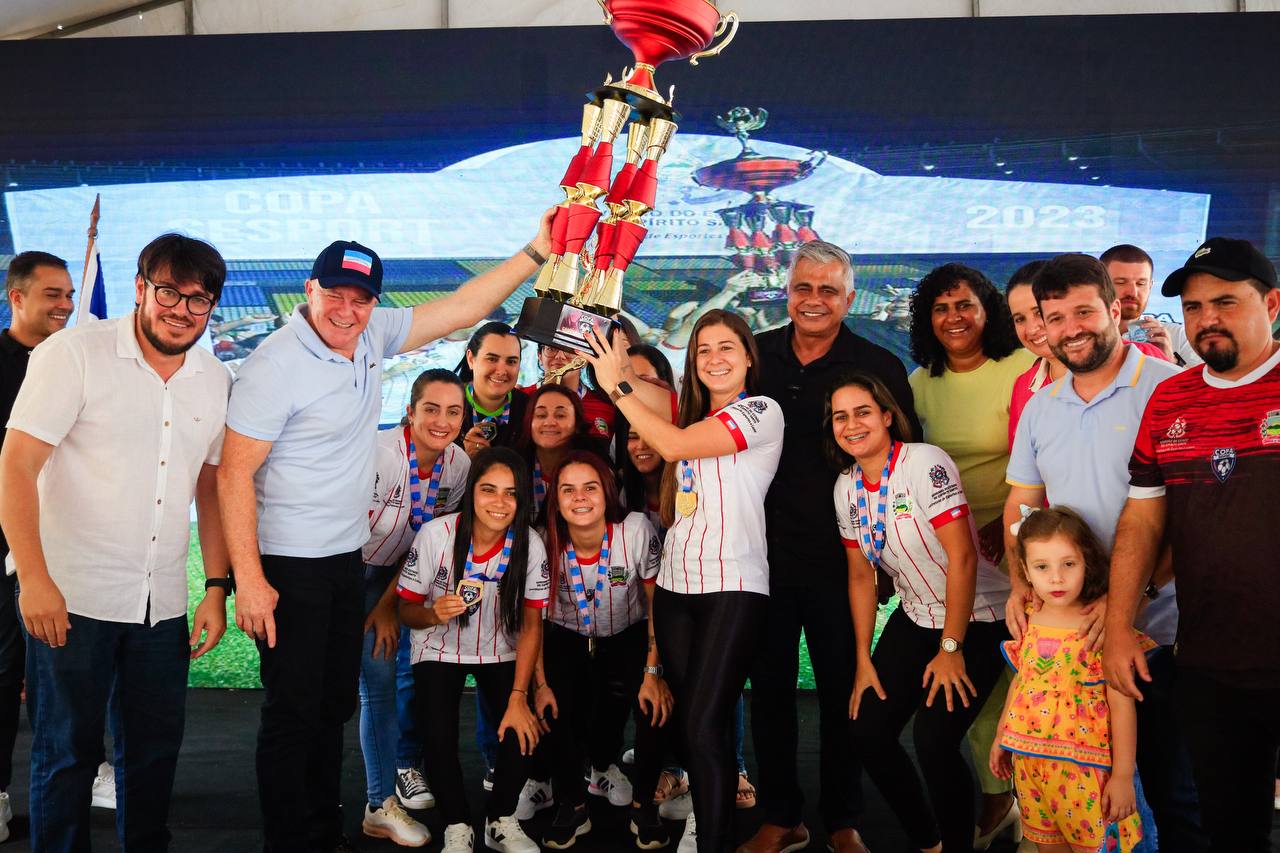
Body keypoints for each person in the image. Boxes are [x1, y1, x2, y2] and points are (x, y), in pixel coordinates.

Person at [218, 217, 552, 853]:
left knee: (331, 707)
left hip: (343, 560)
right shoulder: (275, 365)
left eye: (361, 298)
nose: (347, 310)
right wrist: (250, 582)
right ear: (308, 291)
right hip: (288, 563)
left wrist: (539, 249)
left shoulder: (370, 336)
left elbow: (464, 307)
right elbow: (233, 473)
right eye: (336, 294)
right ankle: (288, 842)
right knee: (292, 714)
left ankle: (321, 831)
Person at [0, 234, 232, 852]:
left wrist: (215, 588)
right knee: (67, 754)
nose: (182, 310)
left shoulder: (214, 379)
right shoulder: (73, 353)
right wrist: (35, 578)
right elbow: (16, 466)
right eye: (169, 293)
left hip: (162, 604)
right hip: (70, 597)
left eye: (199, 300)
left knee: (154, 754)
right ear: (139, 288)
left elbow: (210, 490)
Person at [1001, 253, 1200, 850]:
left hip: (1161, 635)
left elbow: (1191, 522)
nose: (1071, 328)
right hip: (1074, 649)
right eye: (1054, 317)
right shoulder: (1041, 407)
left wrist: (1123, 601)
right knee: (1096, 806)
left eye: (1084, 311)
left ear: (1115, 309)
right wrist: (1019, 583)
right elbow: (1022, 510)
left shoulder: (1170, 390)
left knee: (1173, 795)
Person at [1105, 237, 1280, 853]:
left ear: (1273, 304)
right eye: (1195, 306)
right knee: (1232, 829)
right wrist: (1120, 625)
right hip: (1209, 661)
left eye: (1225, 302)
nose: (1206, 318)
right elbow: (1143, 521)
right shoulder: (1171, 397)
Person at [585, 309, 783, 853]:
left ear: (747, 357)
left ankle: (712, 837)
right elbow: (632, 388)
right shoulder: (685, 411)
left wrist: (618, 389)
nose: (715, 359)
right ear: (692, 364)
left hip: (733, 586)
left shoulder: (762, 411)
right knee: (696, 727)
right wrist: (608, 351)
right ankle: (704, 822)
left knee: (701, 725)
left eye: (726, 348)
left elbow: (670, 445)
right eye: (703, 351)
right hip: (674, 589)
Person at [743, 241, 918, 853]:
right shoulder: (754, 356)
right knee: (768, 693)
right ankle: (780, 816)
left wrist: (891, 556)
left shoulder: (878, 365)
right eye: (803, 288)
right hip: (757, 559)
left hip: (846, 565)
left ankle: (844, 818)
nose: (813, 300)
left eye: (827, 290)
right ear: (786, 293)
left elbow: (903, 464)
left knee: (847, 689)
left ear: (848, 298)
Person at [832, 372, 1011, 853]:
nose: (852, 424)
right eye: (840, 416)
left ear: (888, 416)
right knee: (868, 731)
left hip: (980, 616)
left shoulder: (924, 462)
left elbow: (964, 558)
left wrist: (951, 648)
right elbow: (858, 576)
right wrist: (864, 661)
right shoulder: (845, 487)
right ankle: (928, 842)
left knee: (934, 741)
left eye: (863, 412)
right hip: (916, 615)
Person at [907, 262, 1032, 842]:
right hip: (951, 561)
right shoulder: (919, 382)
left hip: (1019, 549)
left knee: (1021, 688)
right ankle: (995, 798)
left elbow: (1041, 454)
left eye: (965, 305)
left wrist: (1003, 524)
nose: (953, 318)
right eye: (940, 308)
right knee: (976, 702)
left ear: (989, 311)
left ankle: (1037, 807)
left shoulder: (1023, 367)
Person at [396, 447, 549, 853]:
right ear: (472, 493)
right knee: (438, 735)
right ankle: (457, 825)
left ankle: (500, 820)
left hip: (500, 648)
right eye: (489, 490)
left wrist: (520, 697)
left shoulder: (529, 543)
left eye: (511, 493)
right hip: (438, 647)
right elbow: (405, 609)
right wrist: (432, 614)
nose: (500, 503)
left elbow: (533, 624)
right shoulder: (438, 535)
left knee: (519, 729)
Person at [532, 451, 673, 850]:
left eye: (590, 487)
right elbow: (533, 621)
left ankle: (644, 804)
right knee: (552, 706)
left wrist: (652, 673)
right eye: (568, 490)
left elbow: (655, 606)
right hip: (566, 636)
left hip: (626, 636)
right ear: (555, 499)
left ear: (607, 492)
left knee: (654, 705)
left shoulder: (635, 530)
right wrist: (538, 683)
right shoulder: (543, 540)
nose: (580, 498)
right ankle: (572, 805)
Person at [990, 507, 1149, 853]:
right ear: (1026, 573)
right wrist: (1003, 735)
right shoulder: (1029, 619)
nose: (1057, 578)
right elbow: (1023, 681)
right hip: (1032, 766)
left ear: (1087, 563)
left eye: (1069, 564)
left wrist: (1122, 776)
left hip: (1087, 773)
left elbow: (1122, 706)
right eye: (1042, 567)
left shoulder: (1101, 627)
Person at [358, 369, 473, 846]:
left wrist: (387, 604)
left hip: (391, 580)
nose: (441, 421)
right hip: (341, 569)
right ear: (409, 411)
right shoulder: (378, 454)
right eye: (431, 409)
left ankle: (378, 803)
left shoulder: (460, 465)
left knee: (381, 683)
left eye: (453, 411)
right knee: (334, 690)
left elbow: (428, 540)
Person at [0, 250, 74, 837]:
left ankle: (90, 766)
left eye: (70, 294)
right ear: (16, 297)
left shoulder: (74, 360)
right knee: (5, 671)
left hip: (73, 545)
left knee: (77, 670)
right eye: (53, 294)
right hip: (9, 549)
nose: (67, 305)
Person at [514, 384, 607, 522]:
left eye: (560, 415)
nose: (549, 422)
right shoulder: (514, 468)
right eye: (540, 415)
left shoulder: (596, 469)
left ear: (577, 424)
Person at [1100, 244, 1201, 367]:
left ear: (1150, 286)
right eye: (1120, 282)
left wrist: (1171, 361)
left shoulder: (1177, 336)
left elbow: (1207, 384)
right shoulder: (1084, 338)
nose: (1132, 292)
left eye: (1141, 283)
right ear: (1099, 285)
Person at [456, 322, 530, 459]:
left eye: (511, 361)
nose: (501, 371)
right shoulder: (447, 405)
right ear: (471, 359)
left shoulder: (529, 411)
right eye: (492, 359)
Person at [523, 344, 616, 440]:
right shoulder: (520, 399)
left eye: (569, 350)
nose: (560, 356)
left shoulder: (605, 407)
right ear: (539, 356)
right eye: (551, 348)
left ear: (584, 359)